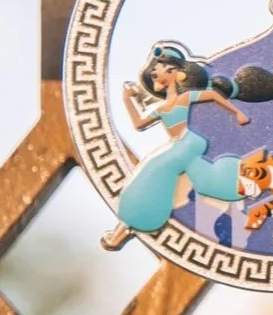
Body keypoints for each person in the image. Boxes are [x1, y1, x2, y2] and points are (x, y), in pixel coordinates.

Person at [102, 42, 252, 250]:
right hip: (183, 146)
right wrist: (127, 99)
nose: (154, 75)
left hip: (188, 143)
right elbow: (138, 123)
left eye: (158, 70)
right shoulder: (162, 107)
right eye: (153, 73)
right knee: (202, 181)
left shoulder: (186, 97)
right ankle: (241, 183)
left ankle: (129, 224)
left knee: (155, 167)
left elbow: (212, 95)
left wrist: (238, 113)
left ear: (174, 72)